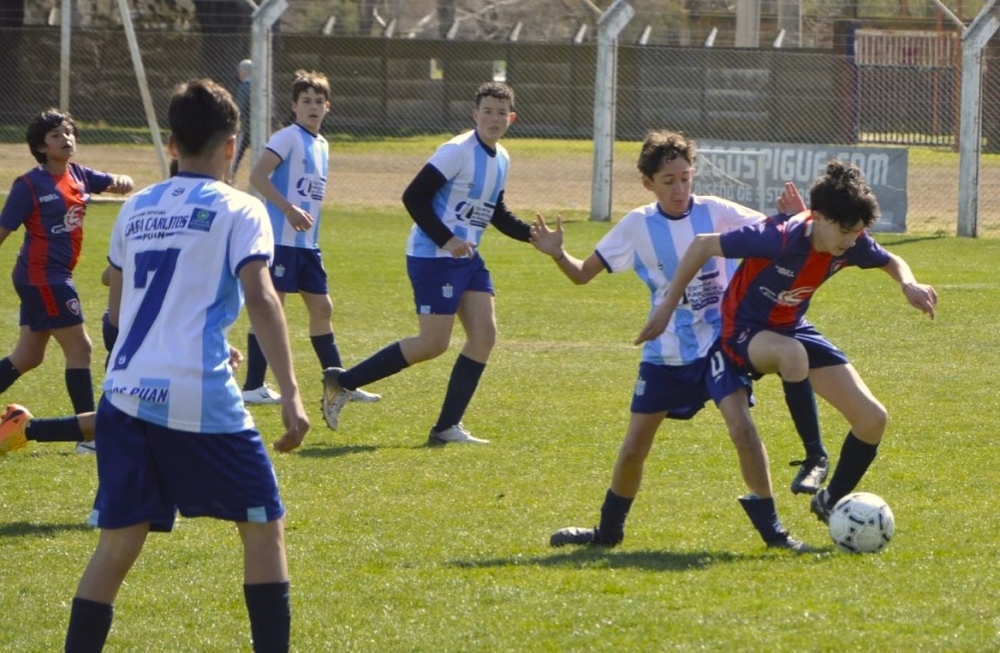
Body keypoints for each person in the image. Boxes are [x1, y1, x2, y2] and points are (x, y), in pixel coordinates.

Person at [63, 78, 310, 653]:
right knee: (263, 524)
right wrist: (292, 391)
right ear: (232, 146)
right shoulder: (241, 209)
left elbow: (118, 316)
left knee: (118, 544)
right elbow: (262, 297)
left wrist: (185, 336)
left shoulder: (136, 207)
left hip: (124, 393)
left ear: (171, 143)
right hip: (195, 395)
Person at [532, 131, 807, 551]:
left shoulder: (716, 211)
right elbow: (582, 274)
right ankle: (607, 533)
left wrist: (796, 217)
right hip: (666, 352)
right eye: (668, 181)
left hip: (721, 346)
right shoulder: (637, 226)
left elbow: (778, 235)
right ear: (648, 183)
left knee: (742, 429)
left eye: (685, 178)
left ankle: (774, 533)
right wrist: (556, 253)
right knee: (633, 449)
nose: (679, 189)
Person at [636, 160, 937, 525]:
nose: (852, 240)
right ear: (819, 217)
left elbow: (891, 259)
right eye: (846, 230)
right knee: (792, 354)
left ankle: (830, 501)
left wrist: (908, 284)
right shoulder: (777, 237)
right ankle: (815, 457)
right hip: (743, 332)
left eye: (858, 231)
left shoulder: (850, 241)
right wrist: (668, 304)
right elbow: (702, 245)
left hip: (792, 327)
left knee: (873, 419)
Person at [320, 81, 534, 445]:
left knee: (484, 336)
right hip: (434, 256)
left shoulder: (503, 158)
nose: (494, 118)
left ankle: (446, 427)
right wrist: (446, 239)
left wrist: (533, 235)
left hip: (467, 258)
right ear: (475, 114)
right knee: (433, 343)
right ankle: (342, 382)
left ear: (511, 118)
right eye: (487, 111)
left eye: (501, 112)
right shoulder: (456, 151)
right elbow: (414, 196)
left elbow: (494, 212)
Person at [243, 69, 380, 407]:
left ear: (328, 107)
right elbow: (258, 176)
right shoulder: (287, 137)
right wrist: (288, 209)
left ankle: (340, 384)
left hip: (306, 246)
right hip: (280, 242)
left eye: (319, 101)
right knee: (271, 309)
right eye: (306, 101)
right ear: (294, 106)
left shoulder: (322, 144)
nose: (313, 107)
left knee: (322, 308)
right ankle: (253, 386)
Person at [0, 108, 133, 417]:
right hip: (44, 277)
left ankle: (86, 432)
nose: (66, 138)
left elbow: (114, 182)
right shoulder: (29, 186)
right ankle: (88, 434)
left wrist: (123, 180)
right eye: (56, 135)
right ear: (42, 147)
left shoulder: (79, 174)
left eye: (69, 132)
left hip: (48, 276)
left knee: (28, 355)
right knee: (81, 349)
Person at [229, 58, 252, 180]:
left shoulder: (245, 86)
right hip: (260, 128)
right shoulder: (262, 86)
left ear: (244, 72)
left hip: (245, 127)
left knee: (235, 154)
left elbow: (239, 106)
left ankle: (230, 176)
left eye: (240, 71)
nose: (239, 73)